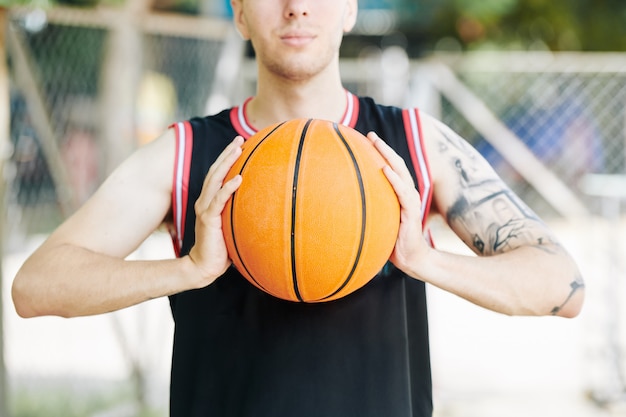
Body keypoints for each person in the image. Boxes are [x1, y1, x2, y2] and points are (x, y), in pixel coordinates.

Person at [11, 0, 585, 416]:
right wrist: (185, 272)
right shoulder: (186, 155)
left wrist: (424, 259)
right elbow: (35, 287)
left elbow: (563, 284)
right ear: (237, 13)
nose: (296, 8)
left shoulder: (414, 143)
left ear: (351, 9)